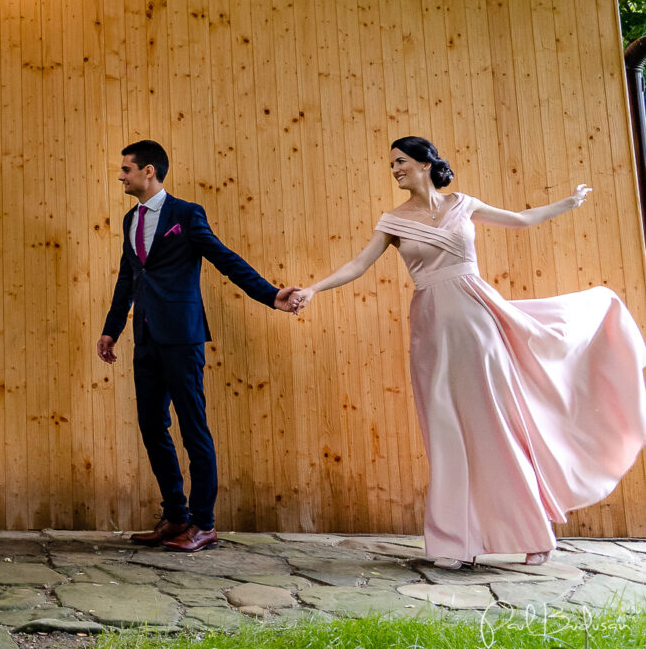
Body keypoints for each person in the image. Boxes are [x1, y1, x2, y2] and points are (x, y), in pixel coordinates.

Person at [289, 136, 646, 568]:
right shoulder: (393, 221)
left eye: (401, 161)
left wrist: (566, 204)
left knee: (497, 424)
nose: (395, 169)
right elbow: (357, 265)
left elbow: (519, 219)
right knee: (447, 434)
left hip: (479, 321)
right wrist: (313, 289)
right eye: (392, 165)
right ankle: (454, 542)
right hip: (432, 330)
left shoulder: (463, 203)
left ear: (425, 163)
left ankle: (535, 534)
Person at [97, 139, 299, 553]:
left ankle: (204, 524)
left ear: (149, 171)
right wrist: (111, 329)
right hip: (146, 338)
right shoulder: (128, 220)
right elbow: (128, 279)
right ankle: (175, 516)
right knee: (152, 426)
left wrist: (271, 294)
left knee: (194, 430)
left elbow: (224, 258)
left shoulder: (186, 214)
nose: (121, 175)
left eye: (127, 169)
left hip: (183, 337)